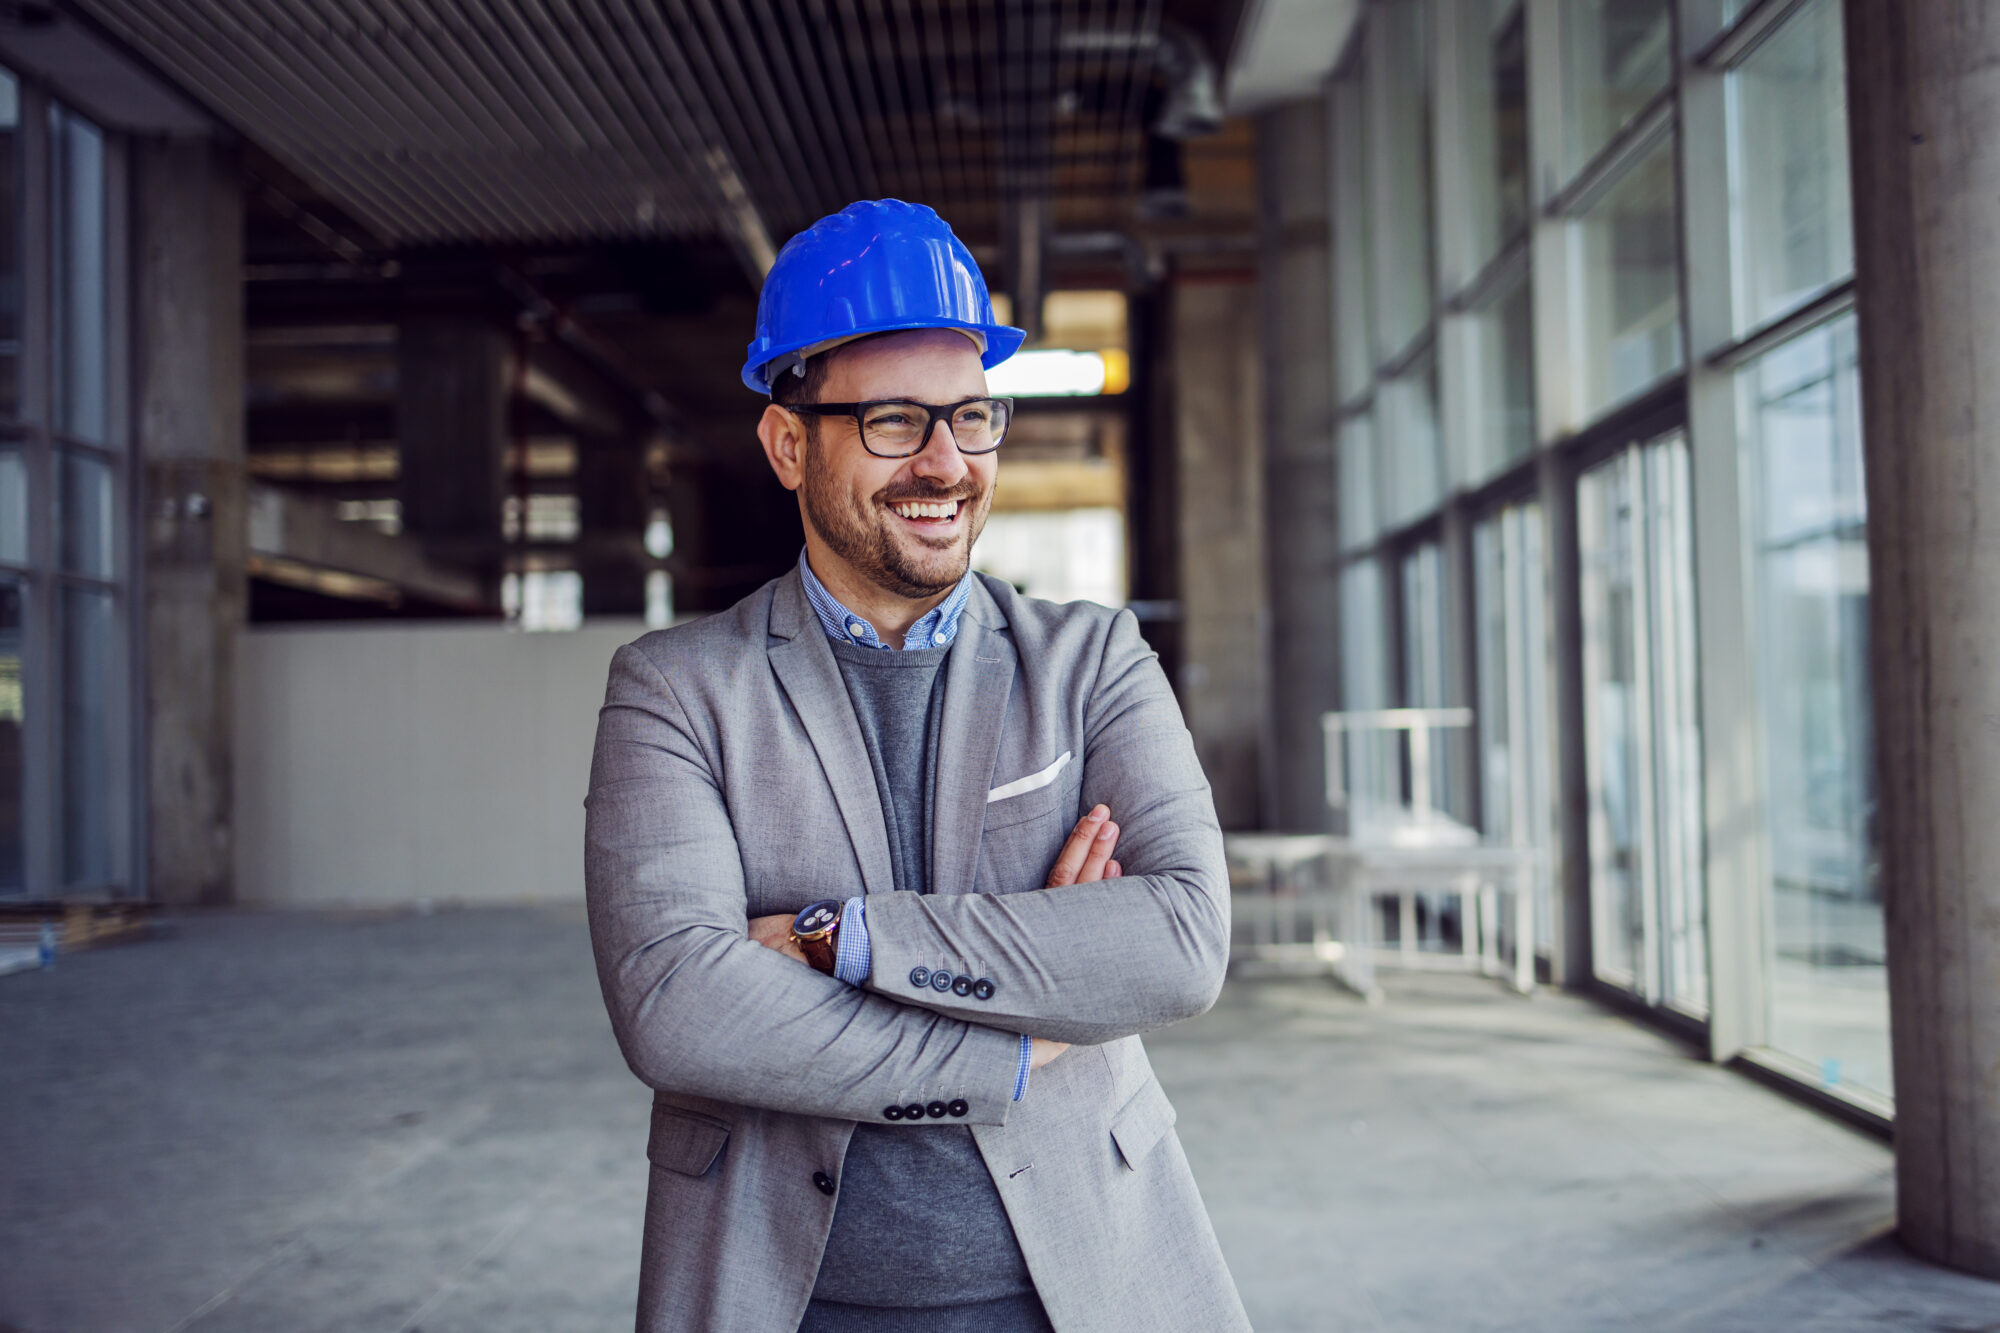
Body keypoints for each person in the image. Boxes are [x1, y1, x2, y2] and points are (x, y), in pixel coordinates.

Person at [584, 198, 1248, 1333]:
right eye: (894, 421)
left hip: (1084, 1280)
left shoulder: (1091, 662)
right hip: (785, 1294)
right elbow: (678, 1008)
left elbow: (1178, 944)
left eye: (972, 416)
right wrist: (1028, 1020)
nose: (945, 463)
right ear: (790, 443)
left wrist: (835, 938)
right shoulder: (674, 688)